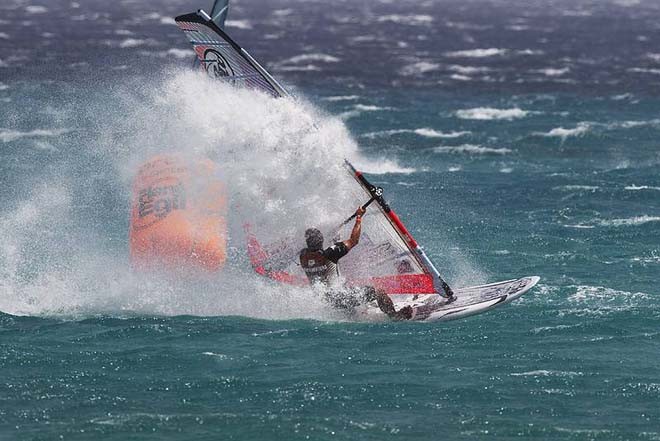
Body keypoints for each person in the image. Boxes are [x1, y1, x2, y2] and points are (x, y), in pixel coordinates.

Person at [299, 206, 413, 320]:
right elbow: (354, 240)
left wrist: (333, 237)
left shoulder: (303, 256)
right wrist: (359, 217)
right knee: (377, 292)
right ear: (321, 241)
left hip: (325, 300)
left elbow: (316, 251)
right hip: (338, 298)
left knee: (345, 294)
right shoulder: (329, 254)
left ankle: (348, 312)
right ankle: (394, 316)